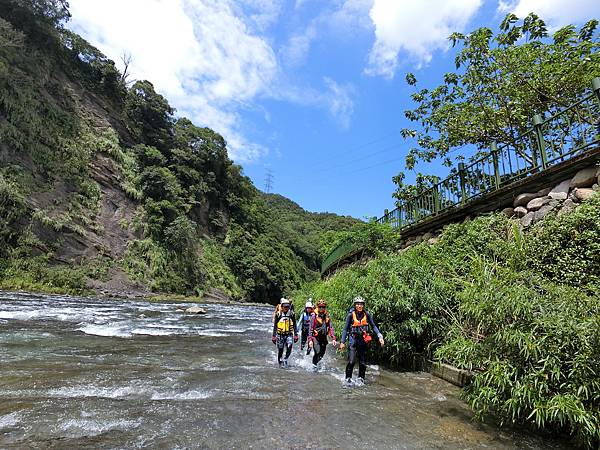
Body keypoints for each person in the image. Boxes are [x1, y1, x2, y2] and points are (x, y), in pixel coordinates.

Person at [339, 296, 384, 384]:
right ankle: (348, 379)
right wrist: (342, 342)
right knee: (351, 362)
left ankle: (361, 379)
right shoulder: (350, 315)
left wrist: (380, 336)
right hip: (353, 341)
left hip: (363, 342)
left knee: (362, 363)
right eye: (357, 304)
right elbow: (345, 329)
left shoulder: (367, 314)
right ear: (355, 305)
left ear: (363, 305)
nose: (359, 306)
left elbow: (373, 326)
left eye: (361, 304)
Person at [308, 299, 336, 369]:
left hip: (323, 338)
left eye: (323, 307)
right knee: (317, 352)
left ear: (325, 307)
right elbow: (310, 328)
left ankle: (316, 364)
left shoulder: (327, 316)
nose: (321, 308)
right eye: (320, 307)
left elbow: (331, 327)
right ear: (317, 307)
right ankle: (314, 366)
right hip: (315, 338)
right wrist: (310, 340)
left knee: (322, 354)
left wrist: (333, 338)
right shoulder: (314, 316)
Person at [271, 298, 298, 368]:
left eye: (287, 307)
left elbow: (294, 324)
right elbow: (275, 326)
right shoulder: (278, 314)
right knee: (280, 350)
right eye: (285, 307)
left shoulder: (291, 314)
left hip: (289, 334)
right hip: (280, 335)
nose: (286, 308)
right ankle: (280, 363)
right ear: (282, 307)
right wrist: (274, 336)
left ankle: (285, 359)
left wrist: (296, 335)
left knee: (289, 347)